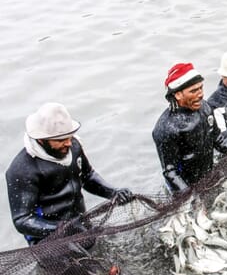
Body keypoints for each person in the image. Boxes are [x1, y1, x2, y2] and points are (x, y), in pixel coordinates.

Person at [5, 103, 134, 246]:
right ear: (41, 140)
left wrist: (114, 192)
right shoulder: (23, 169)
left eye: (69, 137)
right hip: (49, 242)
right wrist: (62, 229)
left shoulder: (74, 146)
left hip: (81, 226)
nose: (68, 143)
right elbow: (22, 220)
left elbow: (88, 177)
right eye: (60, 140)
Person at [152, 62, 227, 193]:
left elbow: (219, 140)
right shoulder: (166, 128)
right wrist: (190, 197)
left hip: (208, 175)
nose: (200, 94)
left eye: (201, 88)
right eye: (193, 91)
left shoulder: (205, 108)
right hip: (184, 186)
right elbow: (170, 173)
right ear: (178, 94)